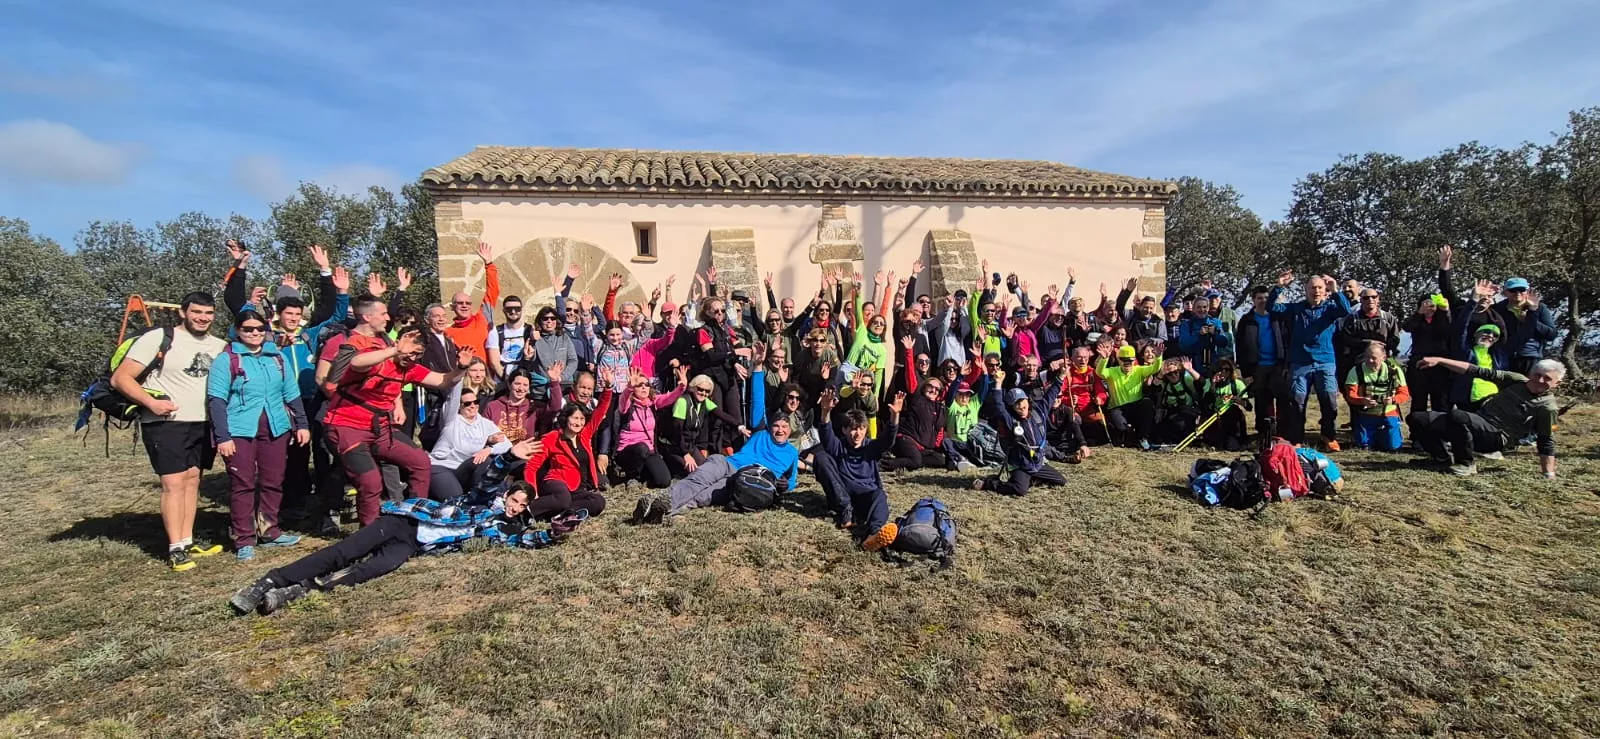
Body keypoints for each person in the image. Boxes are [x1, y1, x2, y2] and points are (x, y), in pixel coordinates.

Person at [228, 481, 585, 615]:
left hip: (413, 545)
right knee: (343, 552)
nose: (516, 507)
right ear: (506, 496)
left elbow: (520, 540)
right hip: (404, 521)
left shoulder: (494, 528)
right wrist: (507, 455)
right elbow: (489, 479)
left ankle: (300, 590)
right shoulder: (479, 503)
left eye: (522, 507)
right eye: (515, 500)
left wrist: (553, 534)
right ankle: (269, 581)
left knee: (369, 570)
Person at [323, 302, 474, 525]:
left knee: (421, 461)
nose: (411, 358)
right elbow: (356, 362)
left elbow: (443, 381)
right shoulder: (377, 358)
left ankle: (415, 519)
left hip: (379, 430)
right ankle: (371, 534)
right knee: (371, 482)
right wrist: (394, 350)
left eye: (417, 354)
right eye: (410, 352)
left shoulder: (410, 368)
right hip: (347, 426)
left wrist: (460, 368)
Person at [110, 292, 230, 571]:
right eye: (197, 312)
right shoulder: (159, 338)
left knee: (192, 480)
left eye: (208, 313)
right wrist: (151, 403)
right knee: (173, 485)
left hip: (202, 422)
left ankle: (187, 540)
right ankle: (175, 548)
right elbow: (120, 378)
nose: (202, 318)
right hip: (166, 424)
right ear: (183, 312)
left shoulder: (219, 345)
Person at [631, 366, 798, 524]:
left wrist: (785, 485)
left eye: (785, 427)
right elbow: (757, 400)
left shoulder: (791, 453)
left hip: (745, 480)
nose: (780, 430)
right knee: (698, 479)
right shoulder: (761, 433)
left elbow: (791, 481)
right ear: (770, 427)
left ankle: (661, 513)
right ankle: (663, 501)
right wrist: (758, 366)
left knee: (705, 496)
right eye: (776, 426)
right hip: (727, 463)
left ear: (790, 430)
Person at [206, 312, 309, 561]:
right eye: (248, 329)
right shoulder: (227, 360)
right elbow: (216, 400)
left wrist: (302, 424)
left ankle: (270, 530)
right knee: (243, 484)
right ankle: (244, 538)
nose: (254, 333)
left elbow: (291, 393)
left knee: (273, 480)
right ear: (237, 330)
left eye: (259, 329)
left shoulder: (277, 357)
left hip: (276, 427)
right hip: (240, 429)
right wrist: (222, 437)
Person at [1406, 357, 1564, 477]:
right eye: (1537, 375)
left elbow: (1546, 440)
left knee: (1458, 416)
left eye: (1547, 378)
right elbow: (1475, 370)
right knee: (1417, 419)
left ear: (1557, 383)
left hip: (1497, 437)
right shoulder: (1515, 381)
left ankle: (1466, 464)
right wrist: (1439, 360)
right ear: (1531, 373)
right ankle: (1440, 458)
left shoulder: (1547, 407)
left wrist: (1548, 474)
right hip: (1479, 422)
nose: (1540, 380)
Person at [811, 388, 905, 550]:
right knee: (820, 457)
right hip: (841, 496)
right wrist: (825, 411)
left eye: (861, 428)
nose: (857, 433)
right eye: (853, 429)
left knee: (879, 495)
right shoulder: (839, 445)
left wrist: (894, 416)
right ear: (845, 430)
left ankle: (874, 536)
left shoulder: (871, 447)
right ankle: (846, 511)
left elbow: (888, 440)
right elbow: (826, 436)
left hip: (866, 496)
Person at [1269, 271, 1354, 450]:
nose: (1316, 291)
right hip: (1300, 363)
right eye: (1312, 288)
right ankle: (1296, 438)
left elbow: (1346, 310)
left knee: (1329, 400)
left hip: (1325, 362)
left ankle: (1328, 436)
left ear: (1325, 290)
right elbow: (1272, 308)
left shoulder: (1331, 309)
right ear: (1305, 290)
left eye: (1320, 288)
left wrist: (1336, 290)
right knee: (1297, 402)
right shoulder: (1296, 308)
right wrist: (1279, 287)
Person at [518, 369, 616, 520]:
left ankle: (560, 513)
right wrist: (533, 493)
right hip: (556, 483)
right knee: (563, 498)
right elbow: (532, 466)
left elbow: (601, 408)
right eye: (574, 418)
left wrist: (608, 387)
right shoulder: (553, 437)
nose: (578, 423)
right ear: (566, 419)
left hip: (577, 488)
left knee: (598, 502)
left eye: (581, 419)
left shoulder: (584, 434)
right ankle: (528, 511)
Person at [973, 388, 1066, 496]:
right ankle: (989, 484)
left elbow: (1050, 395)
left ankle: (1030, 479)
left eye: (1022, 401)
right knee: (1020, 490)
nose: (1021, 406)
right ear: (1012, 408)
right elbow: (999, 405)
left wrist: (1062, 375)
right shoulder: (1010, 421)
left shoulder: (1038, 413)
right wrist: (998, 384)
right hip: (1021, 464)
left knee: (1061, 481)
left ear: (1027, 400)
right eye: (1016, 404)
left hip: (1037, 463)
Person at [428, 386, 512, 501]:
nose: (473, 406)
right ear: (459, 406)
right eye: (467, 404)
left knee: (485, 461)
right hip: (443, 466)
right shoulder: (451, 420)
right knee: (455, 498)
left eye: (476, 402)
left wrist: (489, 450)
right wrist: (460, 372)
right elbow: (452, 399)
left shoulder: (485, 424)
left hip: (464, 469)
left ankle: (478, 499)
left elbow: (507, 444)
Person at [613, 366, 689, 489]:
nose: (644, 387)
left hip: (648, 451)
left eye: (647, 384)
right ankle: (632, 477)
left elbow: (669, 398)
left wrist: (681, 387)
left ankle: (644, 475)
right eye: (640, 385)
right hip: (628, 452)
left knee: (664, 481)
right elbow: (623, 401)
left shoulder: (652, 404)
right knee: (641, 448)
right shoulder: (628, 405)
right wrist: (629, 388)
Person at [1335, 286, 1400, 419]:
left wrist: (1382, 349)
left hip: (1383, 364)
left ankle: (1388, 422)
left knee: (1387, 392)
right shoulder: (1351, 319)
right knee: (1358, 395)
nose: (1370, 300)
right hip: (1358, 364)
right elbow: (1345, 338)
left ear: (1378, 299)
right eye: (1365, 297)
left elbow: (1395, 338)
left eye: (1373, 297)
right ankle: (1358, 427)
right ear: (1361, 300)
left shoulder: (1388, 318)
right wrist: (1367, 344)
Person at [882, 351, 949, 472]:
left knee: (940, 460)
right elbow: (912, 378)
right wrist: (908, 352)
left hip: (923, 447)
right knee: (916, 461)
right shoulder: (917, 398)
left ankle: (908, 459)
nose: (933, 390)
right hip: (907, 439)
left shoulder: (940, 407)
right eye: (930, 386)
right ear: (924, 387)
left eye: (936, 389)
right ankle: (884, 463)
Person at [1235, 285, 1288, 435]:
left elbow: (1286, 340)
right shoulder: (1246, 320)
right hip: (1257, 367)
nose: (1263, 301)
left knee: (1282, 400)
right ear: (1253, 300)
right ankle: (1264, 433)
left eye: (1266, 298)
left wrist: (1286, 365)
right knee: (1262, 402)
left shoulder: (1278, 318)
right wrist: (1246, 372)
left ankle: (1282, 432)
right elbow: (1241, 347)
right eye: (1259, 298)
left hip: (1278, 365)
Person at [1342, 342, 1410, 452]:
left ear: (1384, 357)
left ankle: (1384, 435)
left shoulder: (1394, 371)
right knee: (1363, 446)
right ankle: (1372, 436)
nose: (1369, 361)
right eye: (1367, 357)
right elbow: (1350, 395)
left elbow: (1404, 394)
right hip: (1366, 414)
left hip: (1389, 414)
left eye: (1373, 358)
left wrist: (1393, 400)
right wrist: (1362, 401)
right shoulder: (1356, 370)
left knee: (1393, 447)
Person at [1095, 343, 1161, 449]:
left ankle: (1142, 438)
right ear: (1119, 360)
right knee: (1122, 430)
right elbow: (1100, 372)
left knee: (1147, 403)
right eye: (1123, 360)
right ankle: (1127, 436)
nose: (1127, 363)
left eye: (1130, 361)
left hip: (1136, 407)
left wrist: (1158, 357)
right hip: (1117, 408)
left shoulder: (1139, 369)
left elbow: (1155, 369)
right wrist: (1104, 359)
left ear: (1134, 360)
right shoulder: (1112, 371)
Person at [443, 242, 499, 363]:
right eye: (460, 303)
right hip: (463, 378)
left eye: (468, 303)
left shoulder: (482, 318)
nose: (464, 306)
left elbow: (493, 291)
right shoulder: (448, 333)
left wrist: (488, 264)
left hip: (485, 376)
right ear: (452, 307)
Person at [1492, 277, 1557, 374]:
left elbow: (1551, 334)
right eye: (1513, 290)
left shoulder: (1539, 308)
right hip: (1504, 358)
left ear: (1527, 291)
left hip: (1530, 357)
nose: (1518, 293)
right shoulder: (1498, 309)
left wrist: (1530, 319)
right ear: (1505, 292)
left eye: (1522, 290)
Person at [1402, 293, 1454, 414]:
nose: (1429, 307)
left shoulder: (1442, 319)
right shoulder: (1417, 319)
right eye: (1425, 304)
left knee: (1441, 402)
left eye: (1432, 304)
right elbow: (1407, 327)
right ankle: (1418, 430)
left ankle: (1441, 430)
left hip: (1440, 364)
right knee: (1418, 401)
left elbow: (1448, 329)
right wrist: (1419, 313)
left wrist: (1444, 311)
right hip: (1418, 363)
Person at [1200, 358, 1250, 451]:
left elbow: (1249, 407)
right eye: (1220, 369)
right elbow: (1205, 404)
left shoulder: (1237, 384)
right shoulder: (1209, 382)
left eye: (1227, 370)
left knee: (1231, 446)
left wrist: (1239, 401)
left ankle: (1239, 439)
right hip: (1213, 417)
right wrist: (1213, 385)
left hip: (1230, 418)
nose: (1223, 372)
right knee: (1216, 443)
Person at [486, 295, 533, 380]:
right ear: (504, 310)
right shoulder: (496, 332)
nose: (513, 311)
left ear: (521, 310)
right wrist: (508, 380)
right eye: (509, 309)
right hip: (502, 380)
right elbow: (494, 363)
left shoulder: (530, 330)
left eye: (517, 308)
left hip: (525, 380)